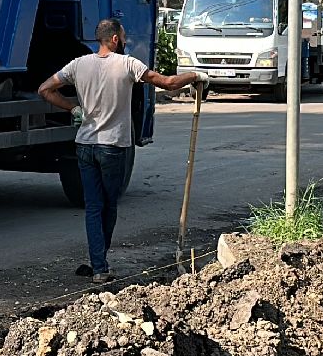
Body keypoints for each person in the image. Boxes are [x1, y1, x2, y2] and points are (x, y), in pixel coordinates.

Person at [37, 18, 203, 284]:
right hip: (113, 147)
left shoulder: (78, 64)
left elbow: (45, 89)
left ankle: (98, 265)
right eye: (123, 37)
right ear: (115, 39)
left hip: (85, 145)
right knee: (108, 206)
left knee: (94, 207)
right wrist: (196, 76)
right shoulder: (128, 64)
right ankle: (100, 264)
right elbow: (169, 82)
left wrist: (73, 108)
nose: (125, 41)